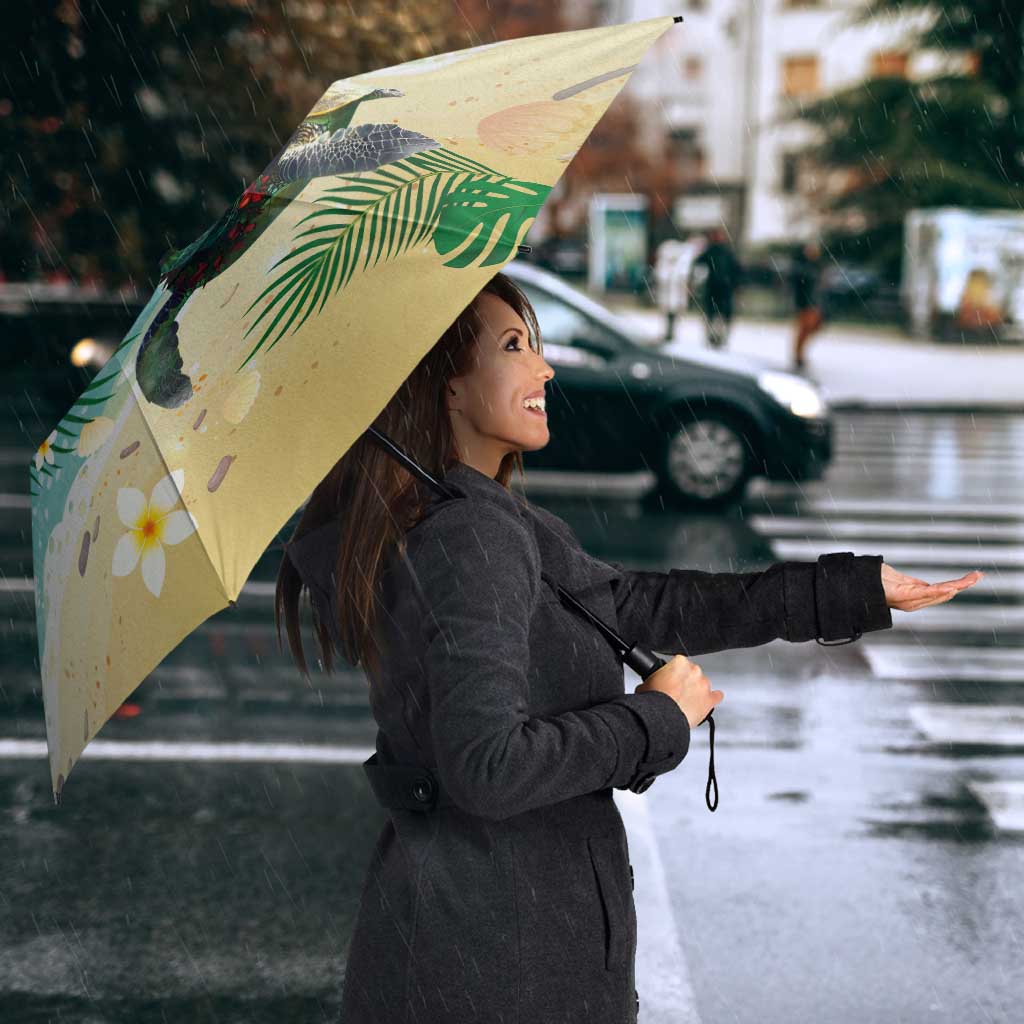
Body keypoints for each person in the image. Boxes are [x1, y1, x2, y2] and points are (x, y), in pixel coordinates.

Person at [275, 272, 982, 1024]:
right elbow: (487, 767)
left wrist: (850, 590)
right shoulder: (470, 536)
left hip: (480, 944)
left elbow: (644, 605)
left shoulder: (479, 520)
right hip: (496, 962)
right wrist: (655, 719)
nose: (544, 368)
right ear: (445, 387)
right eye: (514, 346)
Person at [692, 226, 742, 349]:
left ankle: (719, 337)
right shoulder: (712, 251)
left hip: (723, 288)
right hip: (715, 288)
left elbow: (736, 270)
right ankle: (713, 337)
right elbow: (698, 264)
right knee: (713, 314)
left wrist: (735, 284)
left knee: (720, 315)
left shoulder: (725, 252)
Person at [790, 239, 826, 370]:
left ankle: (799, 354)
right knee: (804, 329)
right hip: (805, 303)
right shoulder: (802, 267)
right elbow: (799, 286)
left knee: (812, 328)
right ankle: (798, 355)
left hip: (814, 303)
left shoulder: (817, 266)